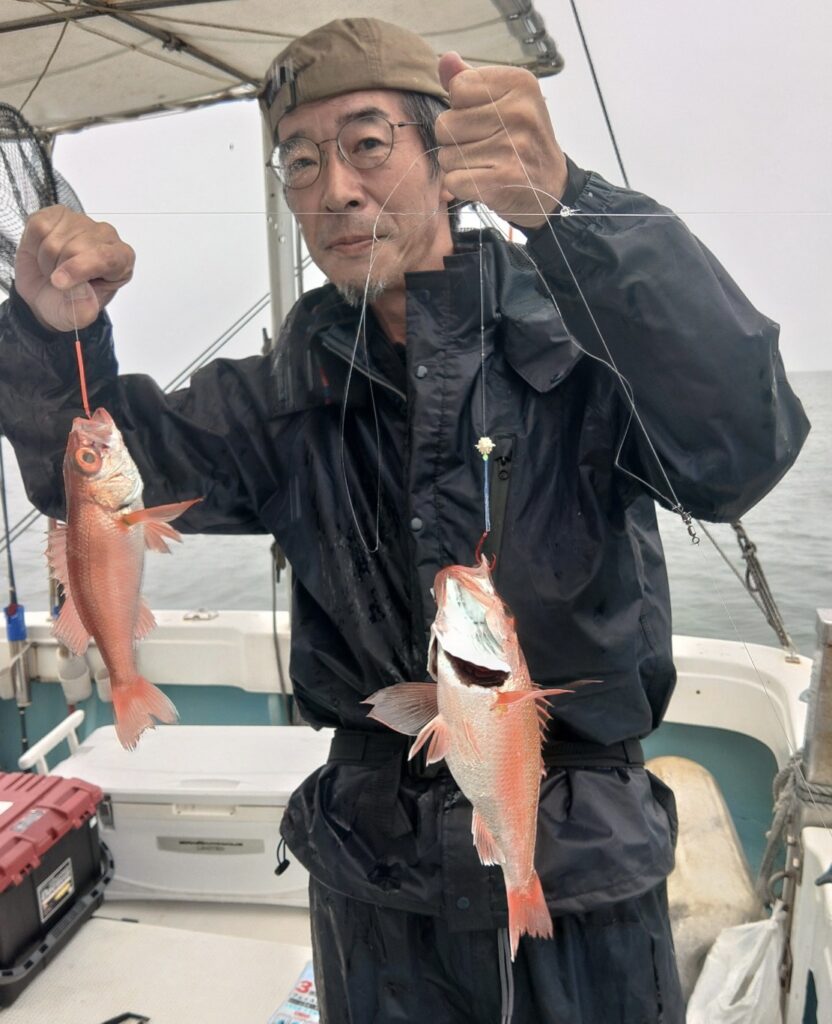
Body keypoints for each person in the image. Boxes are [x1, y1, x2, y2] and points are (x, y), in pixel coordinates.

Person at [0, 16, 810, 1024]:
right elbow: (89, 484)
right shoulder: (275, 399)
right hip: (373, 886)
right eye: (298, 160)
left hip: (580, 874)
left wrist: (576, 209)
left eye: (368, 144)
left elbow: (740, 447)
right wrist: (47, 336)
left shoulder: (588, 348)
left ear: (446, 155)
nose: (334, 187)